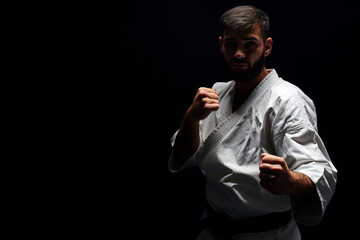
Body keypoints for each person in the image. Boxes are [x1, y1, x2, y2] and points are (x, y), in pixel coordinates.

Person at [168, 5, 337, 240]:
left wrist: (290, 182)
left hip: (268, 234)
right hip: (212, 230)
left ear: (267, 47)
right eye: (231, 44)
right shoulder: (216, 93)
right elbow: (182, 158)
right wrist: (191, 118)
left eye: (249, 44)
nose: (239, 53)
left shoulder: (287, 99)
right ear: (221, 45)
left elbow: (318, 170)